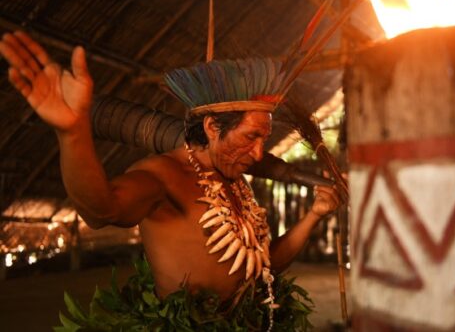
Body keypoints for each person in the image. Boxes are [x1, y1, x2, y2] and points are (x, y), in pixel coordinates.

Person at [0, 31, 341, 330]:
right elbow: (101, 210)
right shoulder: (163, 177)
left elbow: (264, 266)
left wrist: (314, 215)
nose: (257, 154)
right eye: (251, 137)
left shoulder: (233, 179)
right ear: (211, 127)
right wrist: (72, 132)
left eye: (263, 141)